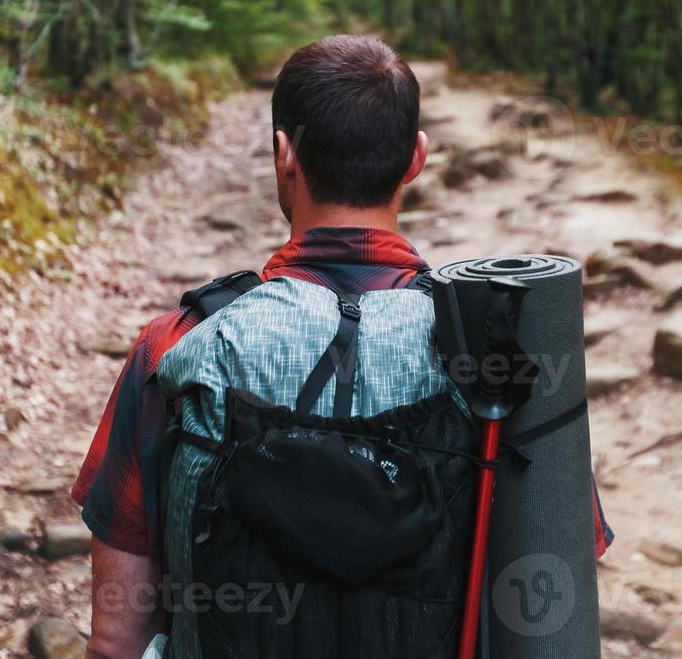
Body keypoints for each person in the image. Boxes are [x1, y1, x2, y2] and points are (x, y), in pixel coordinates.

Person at [69, 35, 612, 658]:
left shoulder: (177, 348)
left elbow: (116, 641)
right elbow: (555, 597)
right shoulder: (495, 360)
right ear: (416, 158)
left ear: (283, 155)